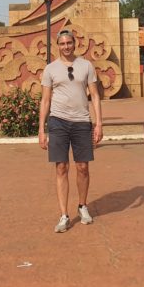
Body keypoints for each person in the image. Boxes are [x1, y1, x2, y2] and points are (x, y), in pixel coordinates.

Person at [39, 29, 103, 233]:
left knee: (83, 166)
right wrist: (41, 129)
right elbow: (45, 99)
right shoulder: (50, 69)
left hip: (81, 121)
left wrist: (99, 123)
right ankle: (64, 215)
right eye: (62, 43)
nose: (66, 46)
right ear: (57, 45)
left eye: (69, 43)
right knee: (61, 167)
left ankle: (83, 206)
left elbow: (95, 95)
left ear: (75, 44)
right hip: (58, 122)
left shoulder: (86, 66)